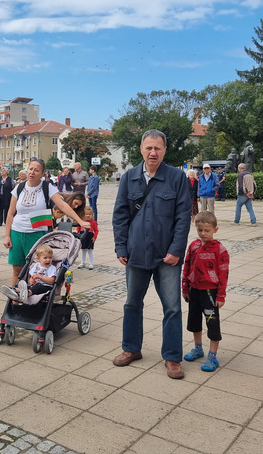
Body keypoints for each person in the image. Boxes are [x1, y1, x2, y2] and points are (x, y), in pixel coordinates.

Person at [112, 129, 191, 379]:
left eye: (157, 148)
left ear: (165, 150)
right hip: (135, 254)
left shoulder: (177, 178)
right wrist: (121, 247)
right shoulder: (129, 178)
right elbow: (120, 215)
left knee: (172, 308)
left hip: (166, 257)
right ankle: (131, 349)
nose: (153, 152)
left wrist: (176, 250)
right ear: (141, 149)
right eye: (149, 148)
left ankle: (172, 357)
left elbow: (182, 217)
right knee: (132, 304)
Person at [4, 157, 91, 290]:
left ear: (43, 173)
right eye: (30, 169)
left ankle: (31, 296)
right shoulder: (19, 187)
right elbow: (10, 213)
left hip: (37, 233)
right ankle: (15, 299)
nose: (32, 172)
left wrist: (80, 221)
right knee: (17, 269)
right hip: (17, 232)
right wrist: (7, 236)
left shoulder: (47, 187)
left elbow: (63, 205)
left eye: (36, 170)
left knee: (34, 268)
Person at [181, 211, 229, 373]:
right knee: (194, 322)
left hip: (210, 293)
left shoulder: (220, 250)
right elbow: (186, 267)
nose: (203, 233)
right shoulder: (193, 246)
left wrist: (221, 295)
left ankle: (213, 355)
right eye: (200, 230)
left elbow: (223, 273)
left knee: (212, 324)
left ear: (215, 230)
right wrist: (185, 287)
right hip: (194, 291)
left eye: (206, 230)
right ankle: (198, 348)